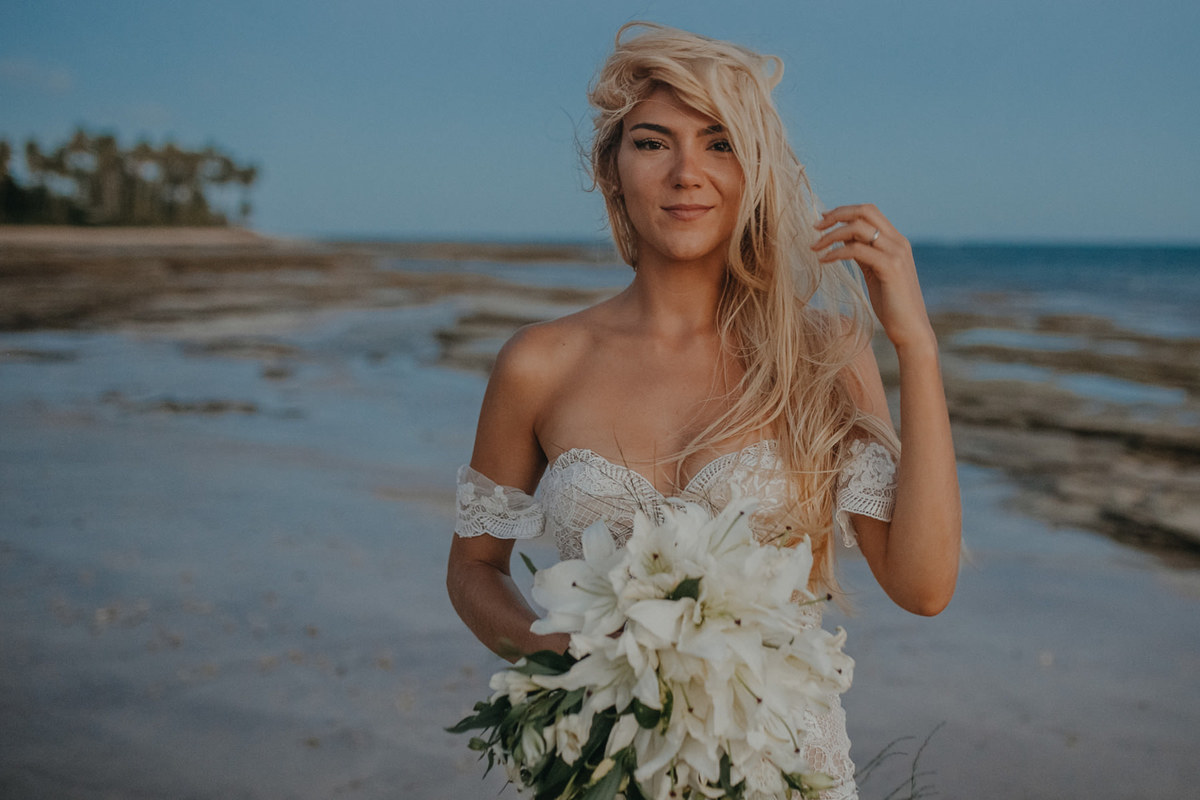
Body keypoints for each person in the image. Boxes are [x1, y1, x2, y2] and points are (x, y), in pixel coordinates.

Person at [446, 21, 961, 799]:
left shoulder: (820, 354)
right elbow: (474, 567)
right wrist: (566, 655)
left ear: (754, 171)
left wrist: (915, 344)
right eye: (653, 143)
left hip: (782, 770)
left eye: (719, 143)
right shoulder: (540, 362)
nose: (688, 173)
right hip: (598, 767)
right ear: (611, 170)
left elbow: (923, 587)